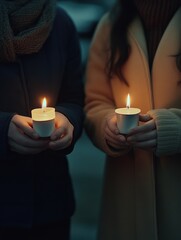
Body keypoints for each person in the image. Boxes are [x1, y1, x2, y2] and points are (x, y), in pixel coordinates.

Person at [84, 0, 181, 239]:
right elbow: (95, 102)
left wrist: (172, 129)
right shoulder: (111, 23)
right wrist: (107, 125)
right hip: (126, 197)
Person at [0, 0, 84, 239]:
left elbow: (74, 99)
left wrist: (67, 121)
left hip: (50, 208)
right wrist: (3, 130)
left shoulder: (60, 23)